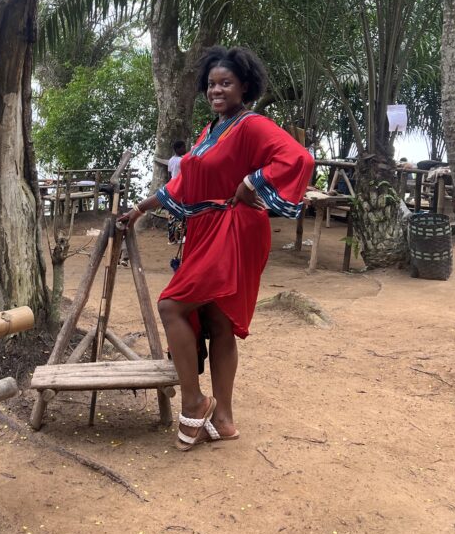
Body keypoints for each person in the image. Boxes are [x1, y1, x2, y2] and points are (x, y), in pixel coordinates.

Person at [120, 46, 314, 452]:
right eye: (211, 84)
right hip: (205, 230)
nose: (216, 90)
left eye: (225, 83)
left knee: (172, 305)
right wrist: (140, 208)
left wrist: (250, 184)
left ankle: (195, 402)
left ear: (244, 85)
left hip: (235, 229)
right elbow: (183, 184)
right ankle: (223, 421)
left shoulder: (251, 124)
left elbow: (296, 158)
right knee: (218, 322)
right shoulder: (212, 131)